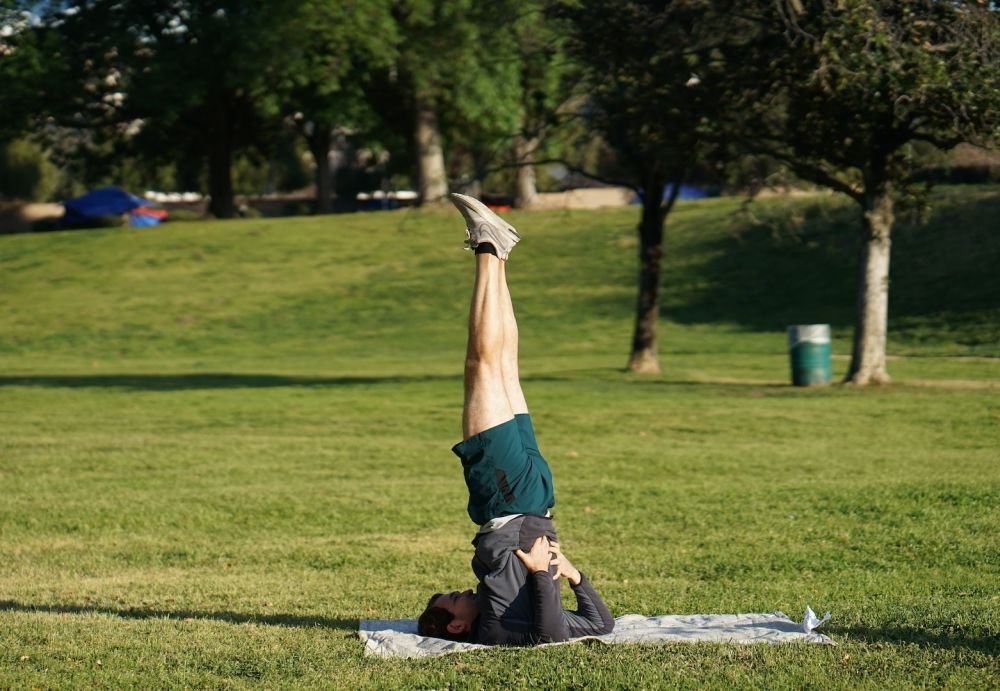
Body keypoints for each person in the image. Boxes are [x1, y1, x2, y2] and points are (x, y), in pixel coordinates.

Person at [417, 193, 615, 646]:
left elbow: (602, 626)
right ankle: (489, 247)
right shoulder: (496, 628)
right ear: (455, 626)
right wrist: (551, 576)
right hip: (508, 498)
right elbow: (546, 636)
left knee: (502, 367)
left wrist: (574, 577)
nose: (460, 591)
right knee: (481, 367)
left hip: (530, 498)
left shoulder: (497, 613)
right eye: (451, 599)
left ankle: (497, 251)